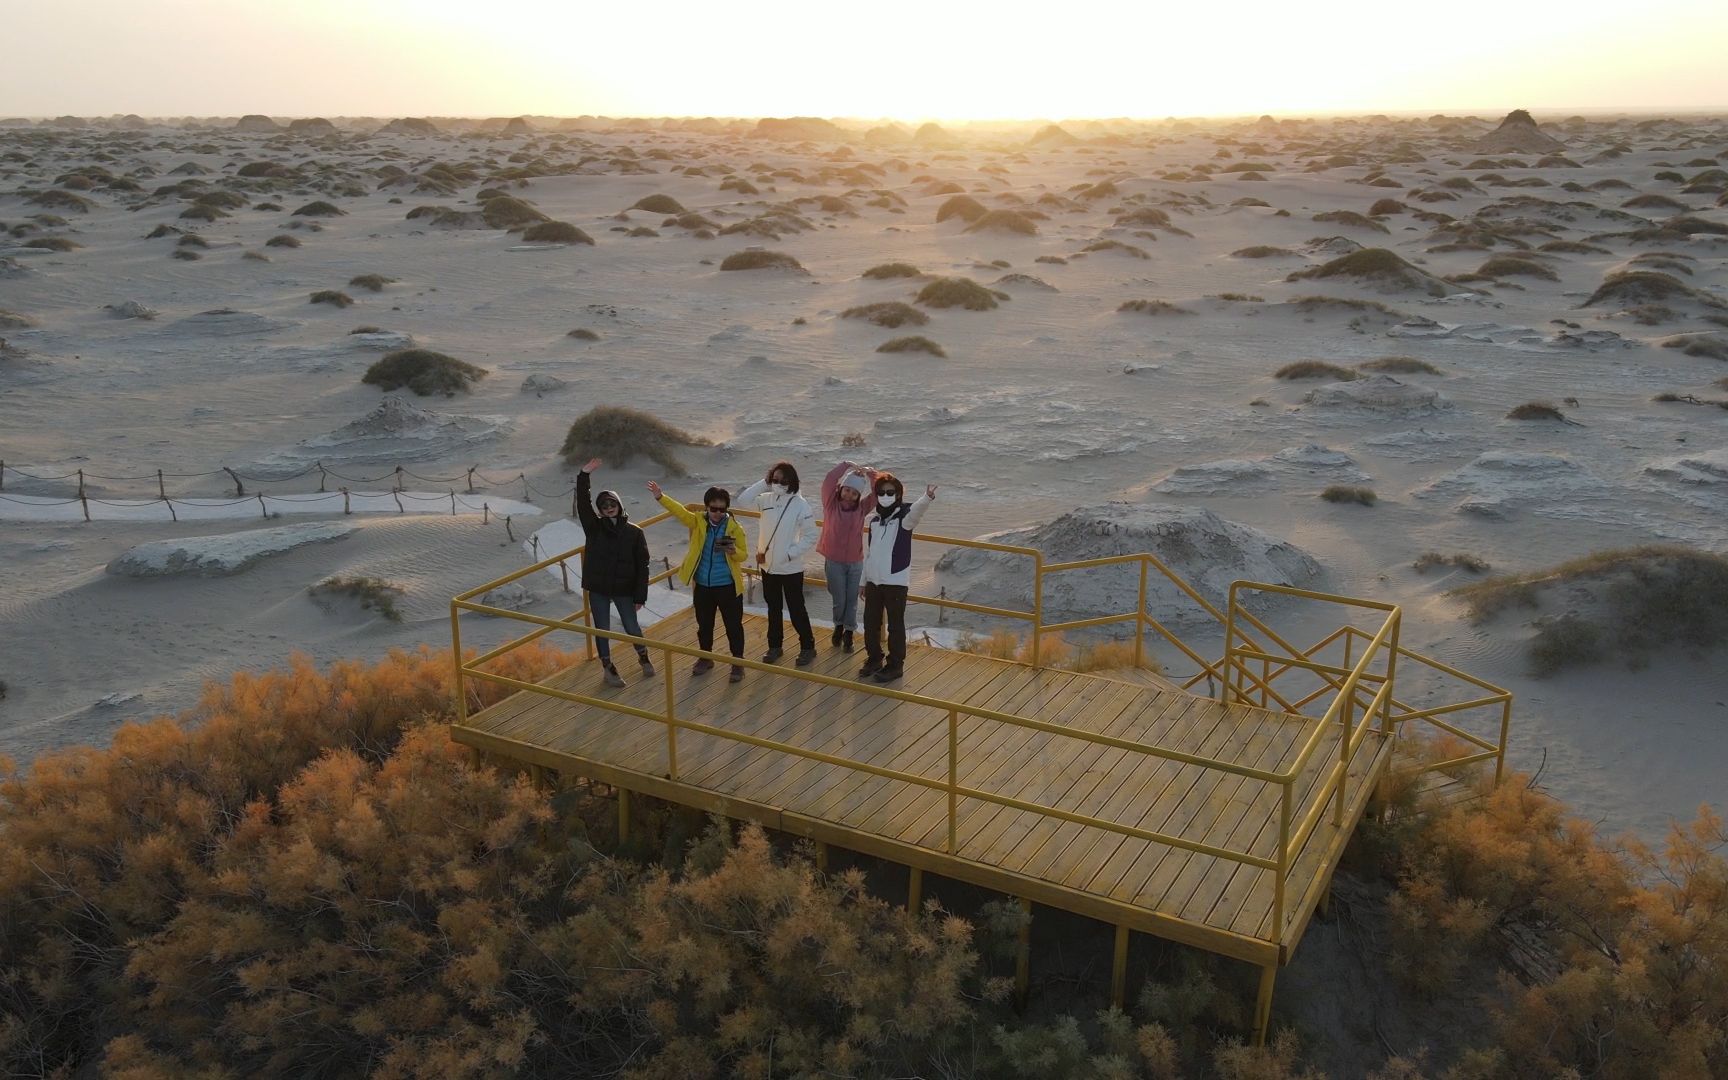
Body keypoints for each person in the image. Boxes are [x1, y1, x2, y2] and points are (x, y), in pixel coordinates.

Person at [649, 479, 749, 683]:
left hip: (727, 586)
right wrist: (660, 496)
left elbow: (744, 555)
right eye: (714, 508)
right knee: (704, 624)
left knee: (733, 626)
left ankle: (738, 663)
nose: (718, 513)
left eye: (722, 509)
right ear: (707, 507)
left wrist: (733, 551)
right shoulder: (698, 521)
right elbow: (680, 512)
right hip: (703, 584)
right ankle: (705, 658)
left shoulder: (734, 528)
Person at [576, 458, 651, 688]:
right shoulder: (594, 528)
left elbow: (643, 565)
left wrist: (640, 596)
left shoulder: (634, 533)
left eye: (612, 505)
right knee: (603, 629)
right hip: (598, 588)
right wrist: (583, 475)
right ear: (599, 510)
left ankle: (644, 657)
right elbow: (582, 502)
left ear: (619, 505)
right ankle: (608, 668)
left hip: (624, 589)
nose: (609, 509)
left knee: (631, 625)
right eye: (604, 507)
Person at [858, 471, 937, 683]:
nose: (885, 495)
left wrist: (926, 497)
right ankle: (874, 659)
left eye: (890, 492)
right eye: (881, 492)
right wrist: (863, 582)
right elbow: (870, 554)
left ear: (898, 494)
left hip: (895, 583)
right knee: (870, 622)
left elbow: (916, 512)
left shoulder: (904, 519)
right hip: (874, 582)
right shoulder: (874, 522)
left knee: (895, 626)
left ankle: (895, 666)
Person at [738, 461, 818, 666]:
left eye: (783, 480)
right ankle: (775, 646)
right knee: (773, 608)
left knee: (796, 608)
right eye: (775, 479)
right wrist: (764, 483)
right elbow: (743, 500)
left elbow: (810, 535)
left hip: (790, 568)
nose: (779, 483)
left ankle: (808, 647)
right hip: (768, 567)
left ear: (792, 481)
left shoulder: (801, 505)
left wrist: (790, 554)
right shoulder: (766, 499)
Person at [817, 459, 877, 653]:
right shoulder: (830, 504)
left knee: (852, 601)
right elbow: (829, 479)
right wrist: (846, 465)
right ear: (841, 489)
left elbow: (877, 494)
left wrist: (870, 473)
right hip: (833, 561)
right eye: (847, 490)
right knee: (839, 599)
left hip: (855, 562)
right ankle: (838, 626)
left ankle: (849, 633)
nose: (850, 495)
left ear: (859, 495)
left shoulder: (862, 508)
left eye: (854, 492)